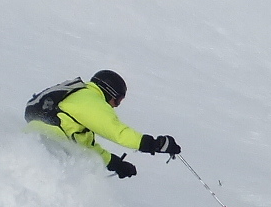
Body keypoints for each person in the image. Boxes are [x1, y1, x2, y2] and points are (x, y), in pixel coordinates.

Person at [24, 70, 181, 178]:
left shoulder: (82, 100)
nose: (115, 105)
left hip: (42, 145)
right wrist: (154, 144)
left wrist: (115, 163)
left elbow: (85, 147)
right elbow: (117, 132)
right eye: (118, 100)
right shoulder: (90, 100)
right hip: (47, 146)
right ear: (109, 91)